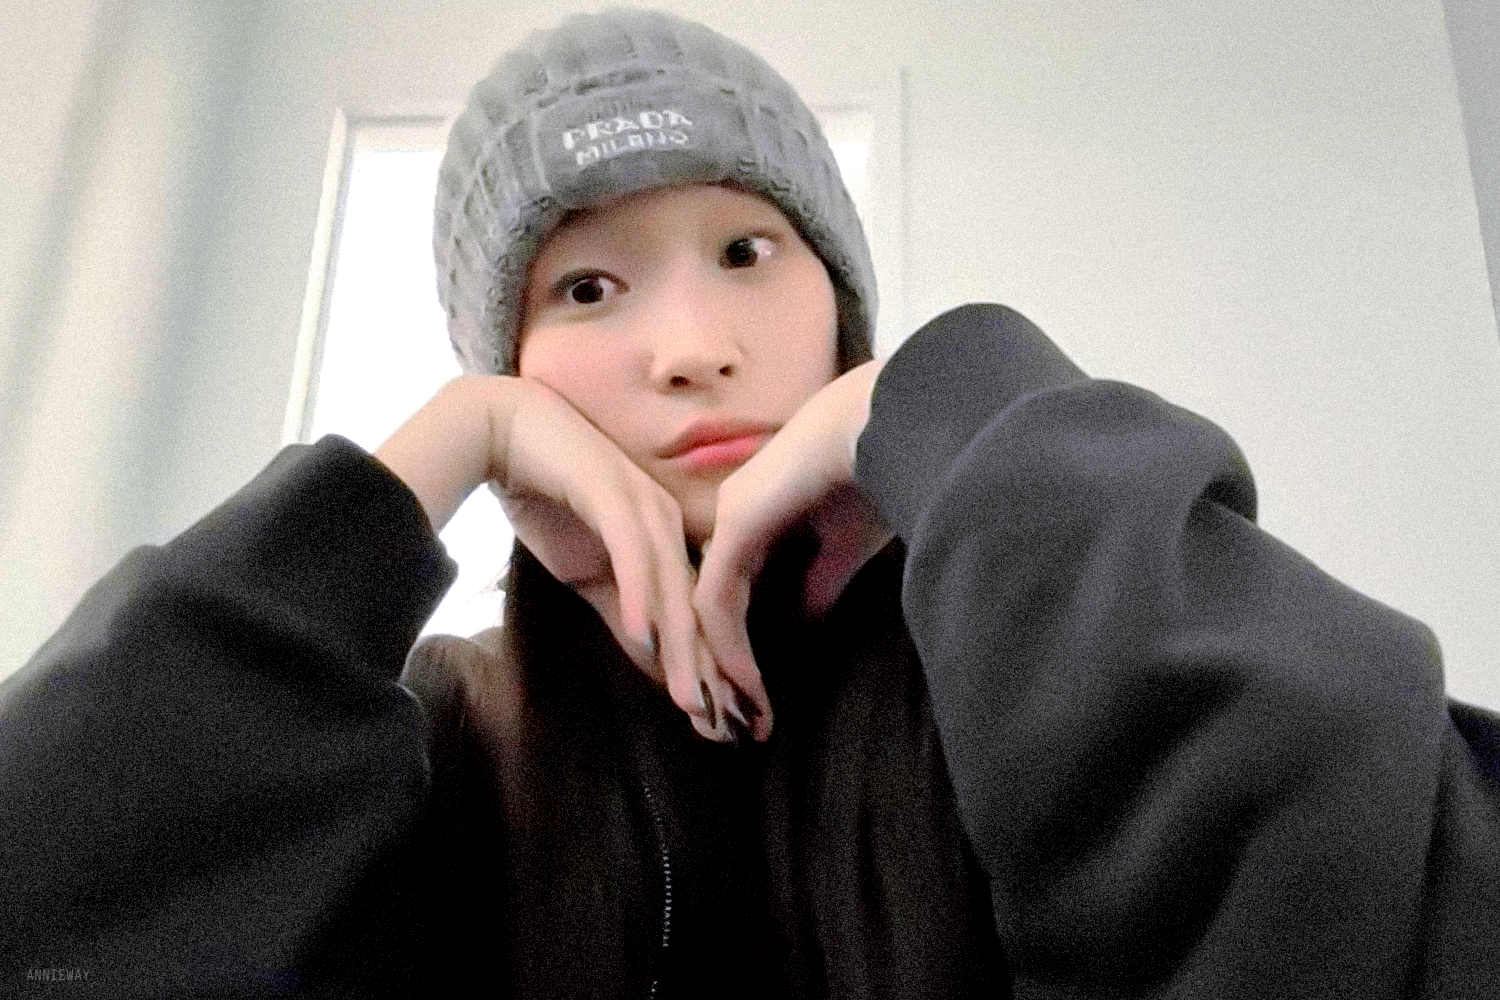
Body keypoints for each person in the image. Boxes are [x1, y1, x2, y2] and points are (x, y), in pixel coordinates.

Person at [2, 7, 1499, 998]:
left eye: (746, 253)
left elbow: (1400, 907)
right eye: (588, 287)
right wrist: (425, 463)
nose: (692, 346)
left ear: (838, 309)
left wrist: (954, 410)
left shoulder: (1004, 682)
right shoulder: (443, 742)